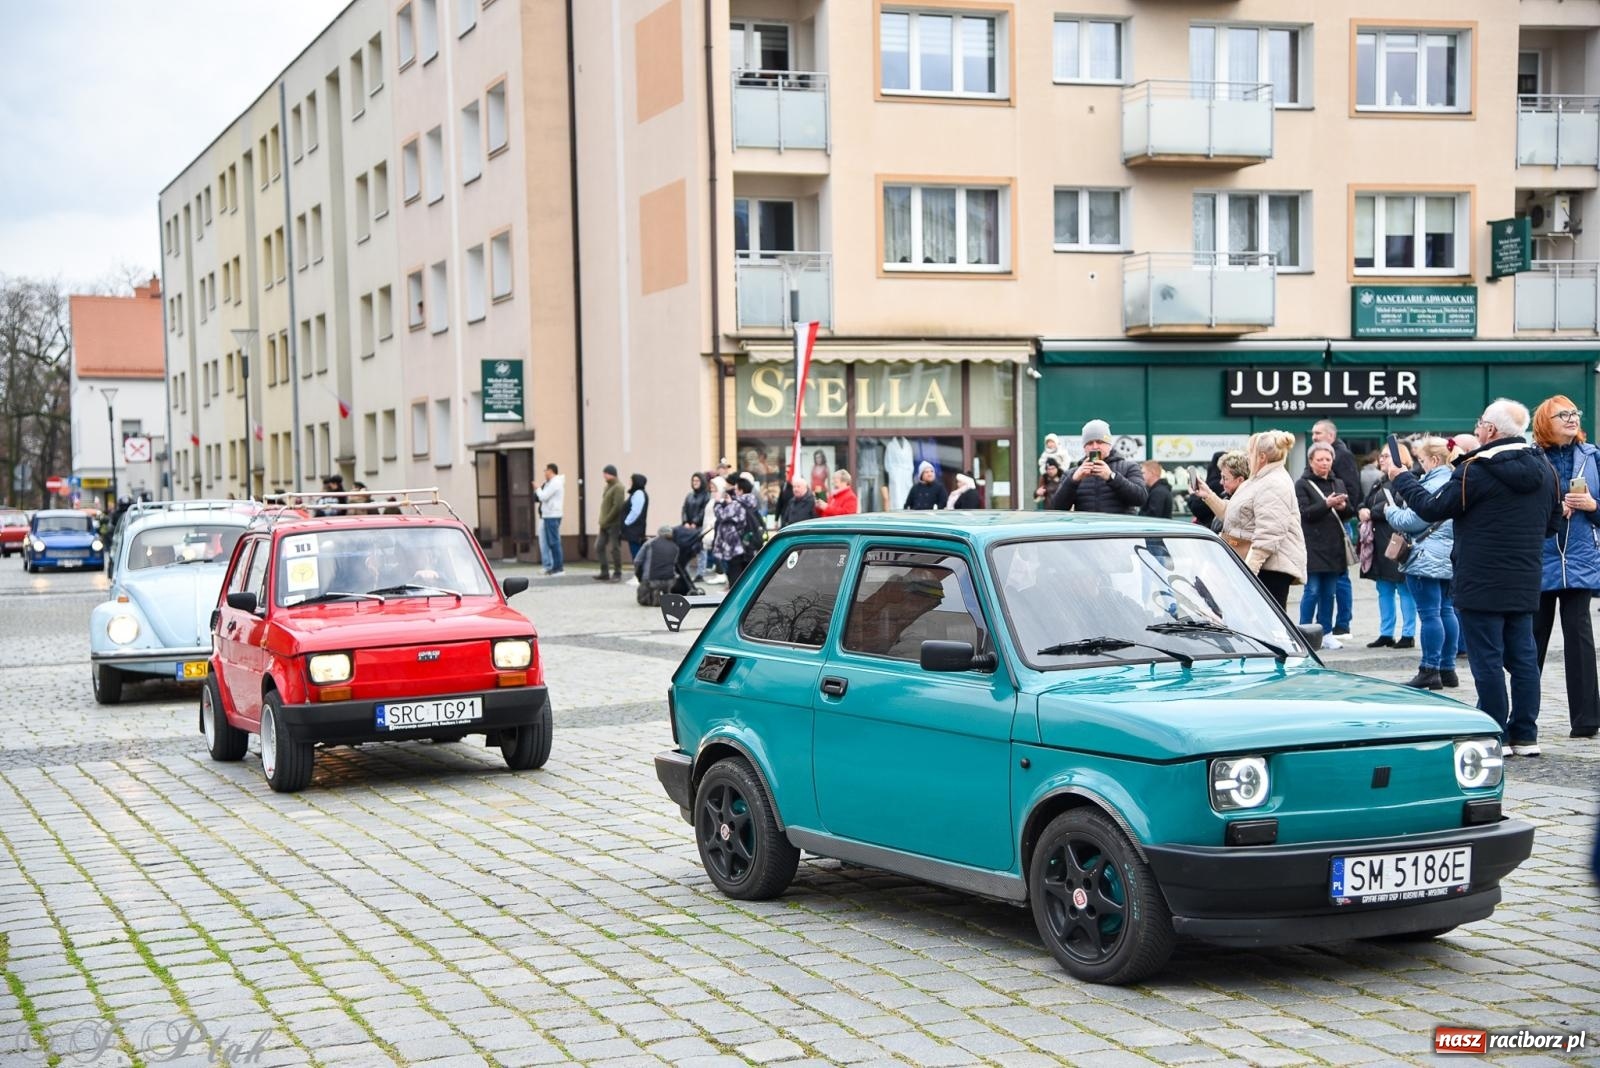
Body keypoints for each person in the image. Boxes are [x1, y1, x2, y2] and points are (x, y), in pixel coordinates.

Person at [1380, 399, 1562, 755]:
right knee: (1523, 658)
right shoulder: (1546, 468)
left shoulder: (1475, 469)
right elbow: (1552, 524)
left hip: (1480, 577)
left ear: (1490, 430)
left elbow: (1432, 508)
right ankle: (1526, 734)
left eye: (1480, 422)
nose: (1477, 428)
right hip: (1524, 577)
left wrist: (1401, 478)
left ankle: (1496, 731)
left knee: (1487, 658)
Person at [1531, 396, 1600, 739]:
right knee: (1532, 640)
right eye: (1563, 414)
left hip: (1580, 558)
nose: (1572, 418)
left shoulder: (1593, 456)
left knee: (1580, 637)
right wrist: (1554, 508)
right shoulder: (1531, 458)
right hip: (1538, 558)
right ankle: (1522, 717)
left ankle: (1587, 720)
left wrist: (1592, 505)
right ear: (1546, 421)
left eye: (1574, 413)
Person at [1202, 430, 1306, 609]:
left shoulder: (1274, 483)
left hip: (1270, 569)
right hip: (1261, 566)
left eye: (1250, 452)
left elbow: (1269, 534)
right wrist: (1208, 495)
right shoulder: (1259, 479)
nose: (1248, 456)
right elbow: (1233, 514)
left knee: (1266, 620)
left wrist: (1249, 572)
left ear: (1262, 457)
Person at [1383, 438, 1456, 690]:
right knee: (1446, 611)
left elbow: (1413, 520)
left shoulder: (1433, 482)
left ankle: (1429, 670)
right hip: (1448, 555)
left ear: (1434, 460)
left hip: (1425, 556)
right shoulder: (1455, 479)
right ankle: (1447, 669)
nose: (1420, 465)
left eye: (1422, 460)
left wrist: (1390, 511)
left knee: (1430, 614)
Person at [1357, 444, 1417, 650]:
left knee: (1404, 589)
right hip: (1379, 543)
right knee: (1384, 590)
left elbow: (1398, 505)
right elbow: (1364, 502)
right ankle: (1386, 633)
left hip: (1397, 542)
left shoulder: (1406, 479)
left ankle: (1408, 634)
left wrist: (1371, 513)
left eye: (1386, 456)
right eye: (1381, 456)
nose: (1381, 459)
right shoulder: (1380, 481)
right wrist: (1362, 510)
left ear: (1400, 458)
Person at [1295, 442, 1355, 646]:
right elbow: (1304, 513)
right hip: (1312, 546)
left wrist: (1344, 507)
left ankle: (1326, 633)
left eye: (1328, 459)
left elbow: (1349, 513)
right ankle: (1304, 632)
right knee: (1312, 591)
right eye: (1319, 459)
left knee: (1329, 593)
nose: (1324, 463)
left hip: (1334, 547)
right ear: (1311, 461)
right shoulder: (1302, 484)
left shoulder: (1338, 483)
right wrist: (1326, 504)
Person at [1312, 419, 1361, 637]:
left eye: (1318, 433)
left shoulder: (1343, 456)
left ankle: (1342, 623)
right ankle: (1328, 624)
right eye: (1313, 433)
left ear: (1331, 436)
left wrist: (1343, 508)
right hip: (1323, 524)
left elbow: (1352, 490)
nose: (1314, 437)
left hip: (1339, 522)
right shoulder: (1321, 457)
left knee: (1340, 576)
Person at [1048, 420, 1148, 514]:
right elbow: (1057, 508)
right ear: (1084, 447)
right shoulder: (1071, 474)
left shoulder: (1129, 467)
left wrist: (1111, 477)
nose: (1095, 447)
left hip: (1119, 526)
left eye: (1100, 442)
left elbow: (1140, 498)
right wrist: (1073, 481)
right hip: (1087, 526)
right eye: (1090, 443)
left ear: (1109, 445)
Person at [714, 476, 764, 587]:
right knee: (746, 575)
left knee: (735, 577)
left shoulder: (736, 504)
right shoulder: (751, 502)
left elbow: (721, 515)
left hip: (736, 547)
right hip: (748, 545)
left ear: (741, 491)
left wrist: (717, 503)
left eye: (736, 489)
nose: (734, 491)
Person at [633, 525, 679, 606]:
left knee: (642, 600)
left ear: (659, 533)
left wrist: (640, 576)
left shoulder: (650, 543)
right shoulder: (675, 547)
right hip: (670, 581)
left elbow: (637, 561)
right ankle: (665, 593)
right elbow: (674, 564)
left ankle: (654, 593)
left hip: (651, 580)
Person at [595, 464, 625, 582]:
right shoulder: (607, 487)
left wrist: (607, 519)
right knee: (599, 546)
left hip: (613, 524)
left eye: (605, 473)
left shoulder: (618, 487)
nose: (604, 476)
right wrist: (603, 520)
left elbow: (617, 506)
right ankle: (604, 572)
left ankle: (617, 573)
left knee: (614, 548)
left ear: (611, 474)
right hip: (604, 523)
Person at [534, 463, 565, 576]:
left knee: (554, 542)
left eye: (545, 470)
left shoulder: (555, 482)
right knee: (551, 542)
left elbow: (543, 497)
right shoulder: (550, 483)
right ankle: (554, 567)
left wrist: (537, 488)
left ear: (550, 471)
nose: (544, 473)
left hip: (553, 515)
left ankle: (559, 568)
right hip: (548, 515)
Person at [1187, 451, 1228, 529]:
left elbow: (1198, 509)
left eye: (1226, 478)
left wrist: (1192, 495)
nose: (1222, 482)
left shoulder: (1215, 484)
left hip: (1211, 527)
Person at [621, 473, 650, 560]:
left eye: (631, 480)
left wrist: (626, 522)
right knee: (636, 553)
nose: (630, 482)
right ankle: (639, 568)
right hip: (634, 530)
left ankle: (639, 569)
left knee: (636, 554)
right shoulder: (636, 493)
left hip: (634, 530)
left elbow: (635, 512)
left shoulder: (639, 493)